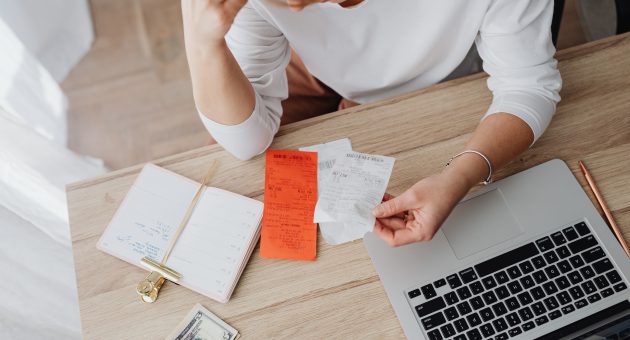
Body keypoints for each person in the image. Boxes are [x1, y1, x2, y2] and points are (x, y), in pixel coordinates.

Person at [182, 0, 562, 247]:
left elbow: (528, 86)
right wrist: (202, 43)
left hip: (443, 68)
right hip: (305, 58)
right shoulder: (273, 11)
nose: (294, 6)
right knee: (216, 172)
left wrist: (459, 176)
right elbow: (247, 142)